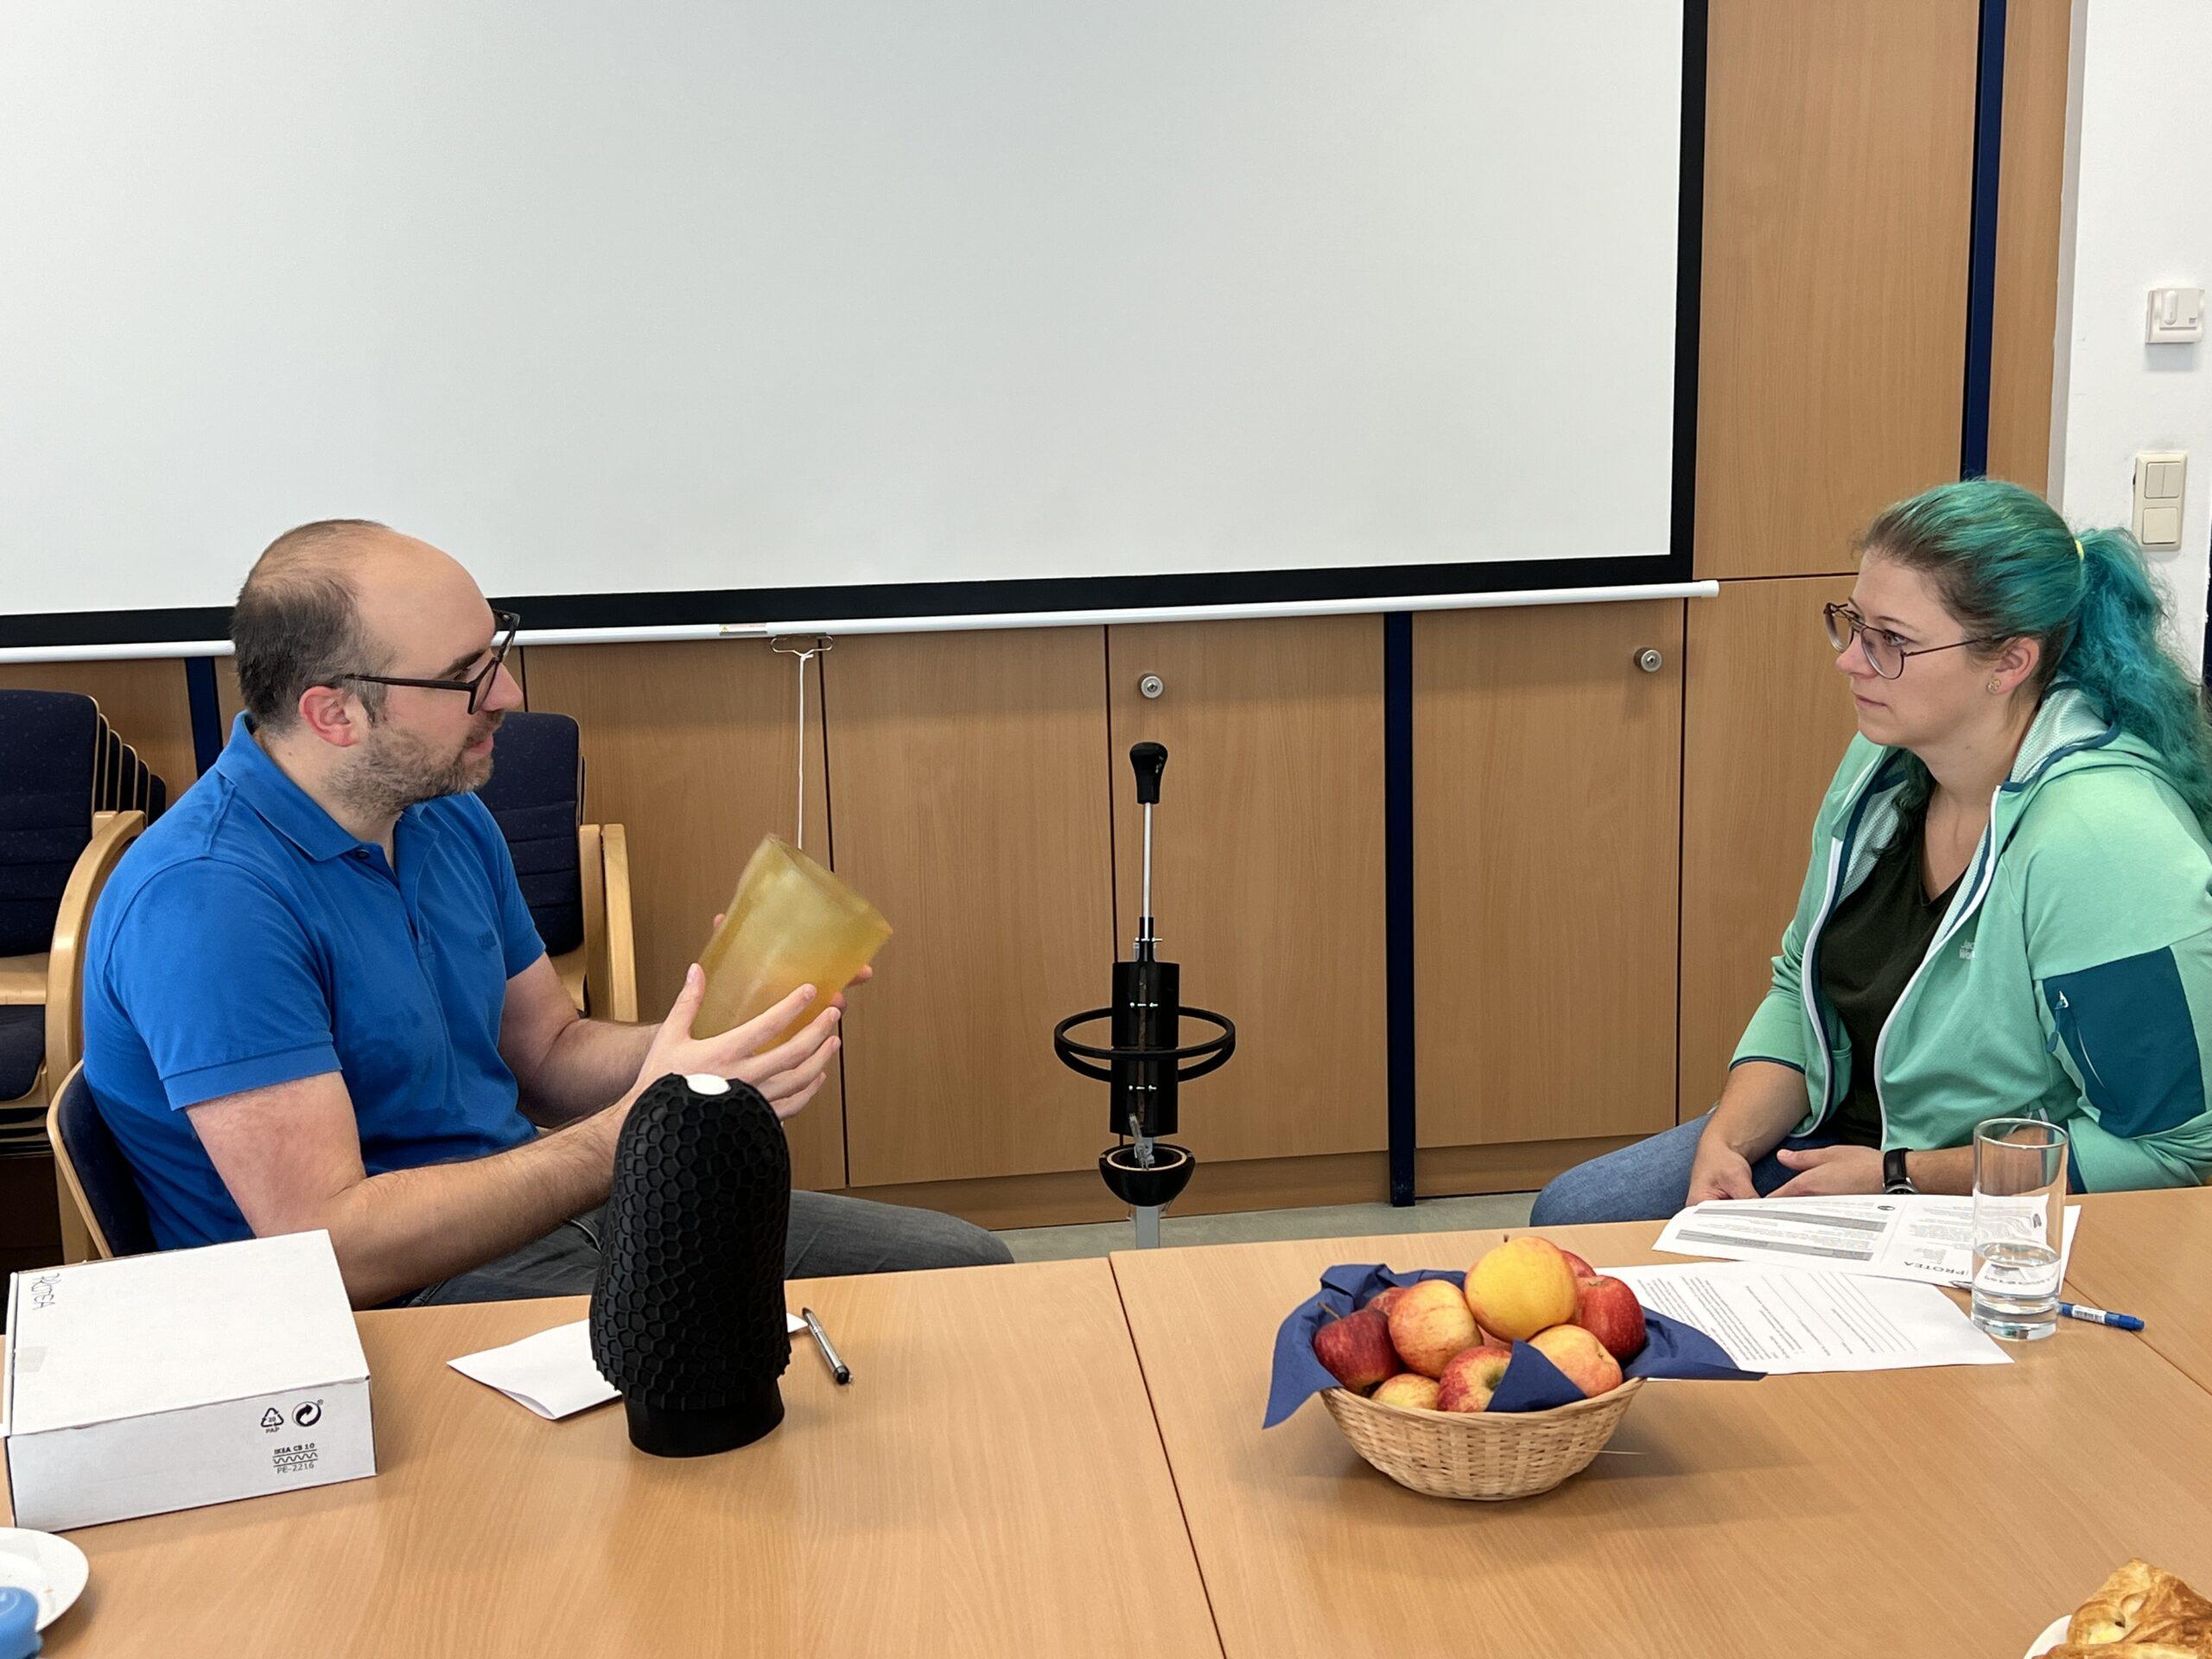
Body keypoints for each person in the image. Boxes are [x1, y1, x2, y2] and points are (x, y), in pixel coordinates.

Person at [82, 519, 1011, 1305]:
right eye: (466, 676)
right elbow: (337, 1248)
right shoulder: (207, 903)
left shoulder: (439, 813)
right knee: (740, 1371)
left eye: (497, 653)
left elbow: (548, 1055)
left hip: (530, 1214)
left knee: (961, 1271)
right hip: (387, 1304)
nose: (509, 696)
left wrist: (719, 1033)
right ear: (334, 715)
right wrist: (639, 1123)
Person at [1534, 478, 2212, 1224]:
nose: (1851, 661)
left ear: (2010, 662)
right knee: (1577, 1212)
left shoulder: (2104, 839)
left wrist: (1900, 1176)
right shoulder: (1884, 762)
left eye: (1893, 640)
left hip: (1974, 1190)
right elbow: (1801, 984)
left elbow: (2170, 1151)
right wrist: (1727, 1142)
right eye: (1854, 624)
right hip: (1846, 1141)